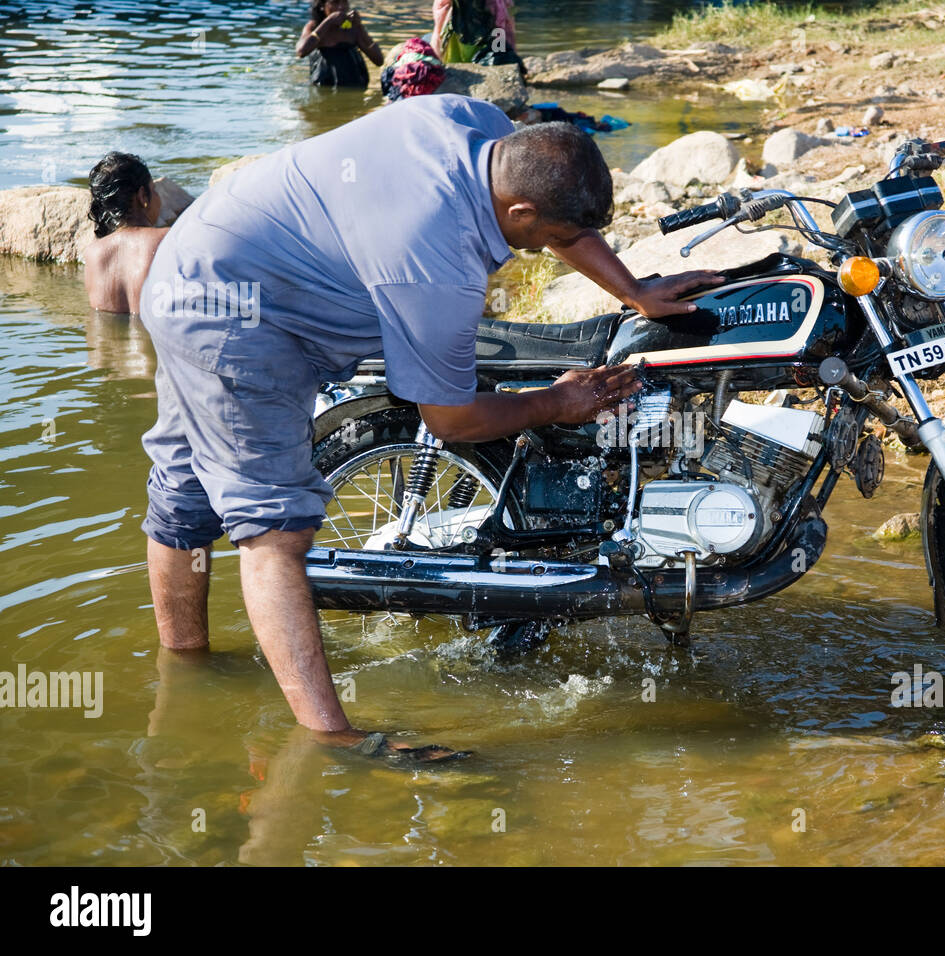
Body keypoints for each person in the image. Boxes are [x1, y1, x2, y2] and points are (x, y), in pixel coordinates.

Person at [139, 95, 721, 763]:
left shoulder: (478, 125)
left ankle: (182, 676)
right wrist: (555, 402)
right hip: (234, 319)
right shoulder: (435, 259)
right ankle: (333, 740)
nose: (545, 250)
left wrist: (635, 291)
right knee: (275, 530)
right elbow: (449, 418)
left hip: (206, 258)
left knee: (185, 494)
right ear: (520, 214)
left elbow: (559, 217)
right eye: (544, 238)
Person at [83, 152, 169, 315]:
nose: (158, 197)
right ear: (143, 196)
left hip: (103, 341)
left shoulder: (92, 253)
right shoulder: (165, 239)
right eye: (154, 190)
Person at [296, 1, 384, 87]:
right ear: (322, 6)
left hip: (354, 86)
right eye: (335, 2)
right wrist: (328, 21)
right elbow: (301, 51)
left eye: (344, 2)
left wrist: (359, 27)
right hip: (323, 86)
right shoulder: (314, 26)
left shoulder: (353, 29)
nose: (341, 7)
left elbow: (379, 60)